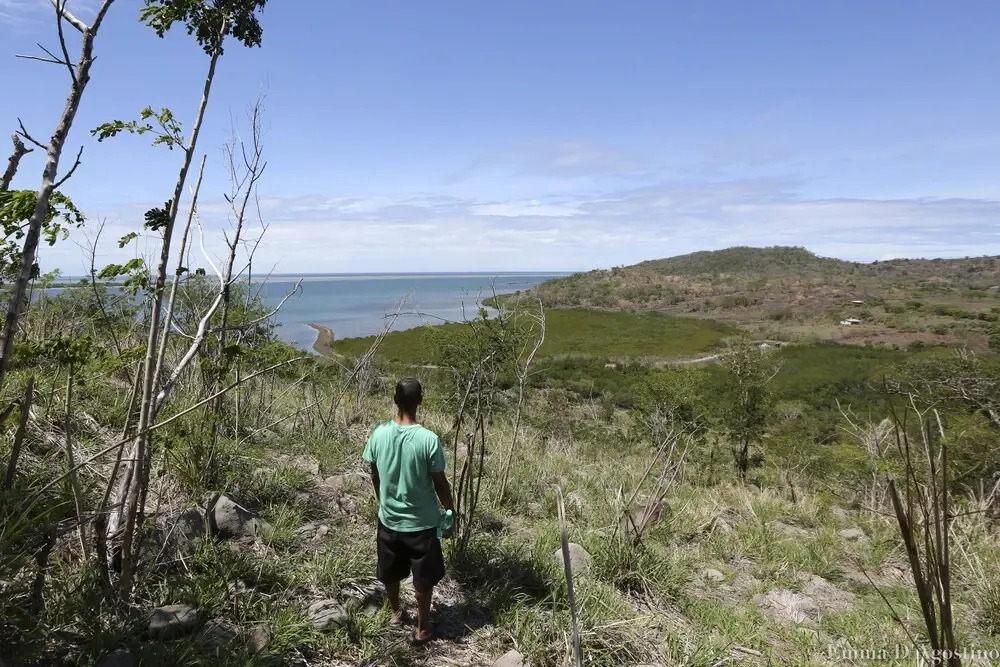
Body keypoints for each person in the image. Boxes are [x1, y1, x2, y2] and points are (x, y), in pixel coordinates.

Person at [363, 377, 455, 644]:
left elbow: (374, 473)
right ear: (420, 401)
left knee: (390, 572)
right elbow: (440, 482)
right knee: (423, 580)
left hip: (388, 519)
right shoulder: (429, 440)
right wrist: (450, 510)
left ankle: (396, 613)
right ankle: (423, 629)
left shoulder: (378, 434)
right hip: (422, 524)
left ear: (395, 400)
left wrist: (383, 500)